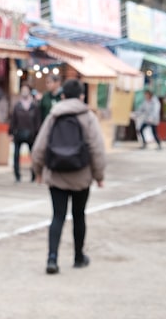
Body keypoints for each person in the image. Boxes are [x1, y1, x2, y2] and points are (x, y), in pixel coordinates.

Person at [31, 78, 107, 275]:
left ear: (63, 95)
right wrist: (99, 175)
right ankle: (79, 257)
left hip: (56, 174)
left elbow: (39, 147)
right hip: (81, 175)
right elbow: (97, 148)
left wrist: (38, 171)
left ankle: (52, 258)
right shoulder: (88, 117)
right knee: (79, 216)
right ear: (82, 96)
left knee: (57, 216)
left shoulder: (54, 115)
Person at [9, 83, 42, 183]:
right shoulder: (17, 106)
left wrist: (37, 133)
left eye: (26, 90)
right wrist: (11, 132)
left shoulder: (34, 106)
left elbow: (37, 121)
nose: (24, 92)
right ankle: (17, 175)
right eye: (23, 90)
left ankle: (33, 175)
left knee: (33, 155)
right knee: (16, 156)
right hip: (18, 133)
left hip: (31, 135)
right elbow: (13, 120)